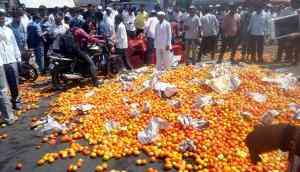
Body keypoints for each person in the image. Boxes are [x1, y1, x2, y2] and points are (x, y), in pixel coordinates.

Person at [0, 9, 22, 110]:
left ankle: (15, 100)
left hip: (11, 59)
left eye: (3, 16)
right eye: (0, 16)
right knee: (3, 86)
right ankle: (5, 106)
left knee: (14, 82)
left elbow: (14, 44)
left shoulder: (9, 30)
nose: (2, 18)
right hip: (1, 61)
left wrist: (18, 58)